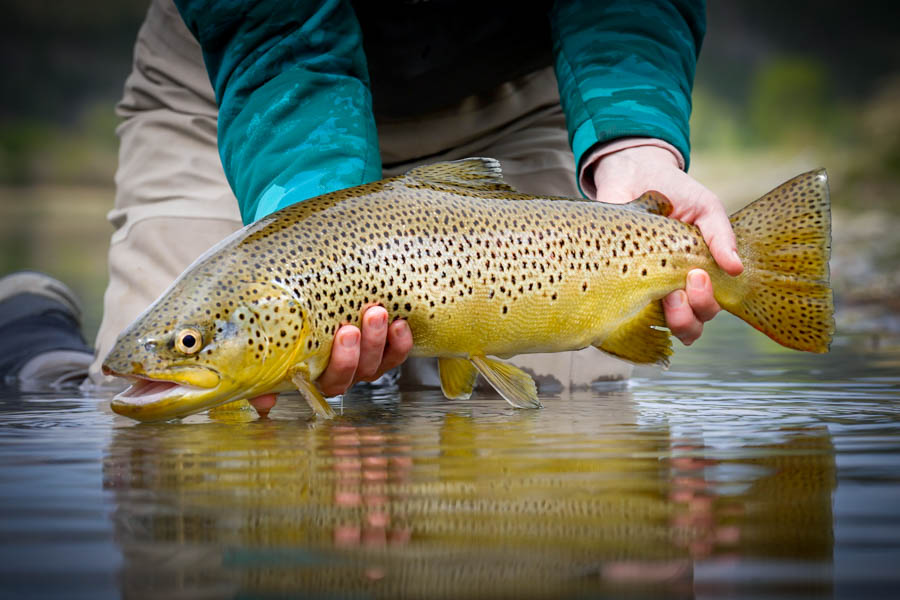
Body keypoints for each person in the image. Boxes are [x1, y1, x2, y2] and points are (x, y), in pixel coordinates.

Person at [3, 0, 741, 413]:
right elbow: (277, 37)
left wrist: (631, 144)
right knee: (163, 424)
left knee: (574, 421)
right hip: (245, 87)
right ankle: (36, 345)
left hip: (524, 84)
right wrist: (327, 232)